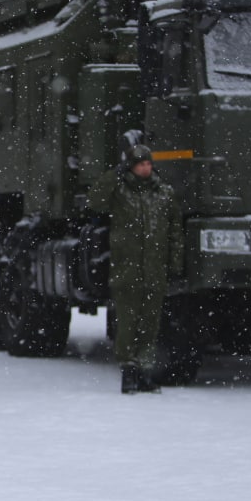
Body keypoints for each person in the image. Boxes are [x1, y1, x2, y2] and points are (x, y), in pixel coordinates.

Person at [88, 145, 184, 394]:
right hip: (126, 270)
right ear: (131, 166)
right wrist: (114, 175)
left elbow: (174, 230)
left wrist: (174, 264)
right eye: (140, 164)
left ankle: (144, 372)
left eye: (148, 164)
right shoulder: (120, 192)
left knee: (150, 325)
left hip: (154, 271)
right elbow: (95, 200)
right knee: (127, 323)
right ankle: (128, 371)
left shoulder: (163, 193)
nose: (146, 168)